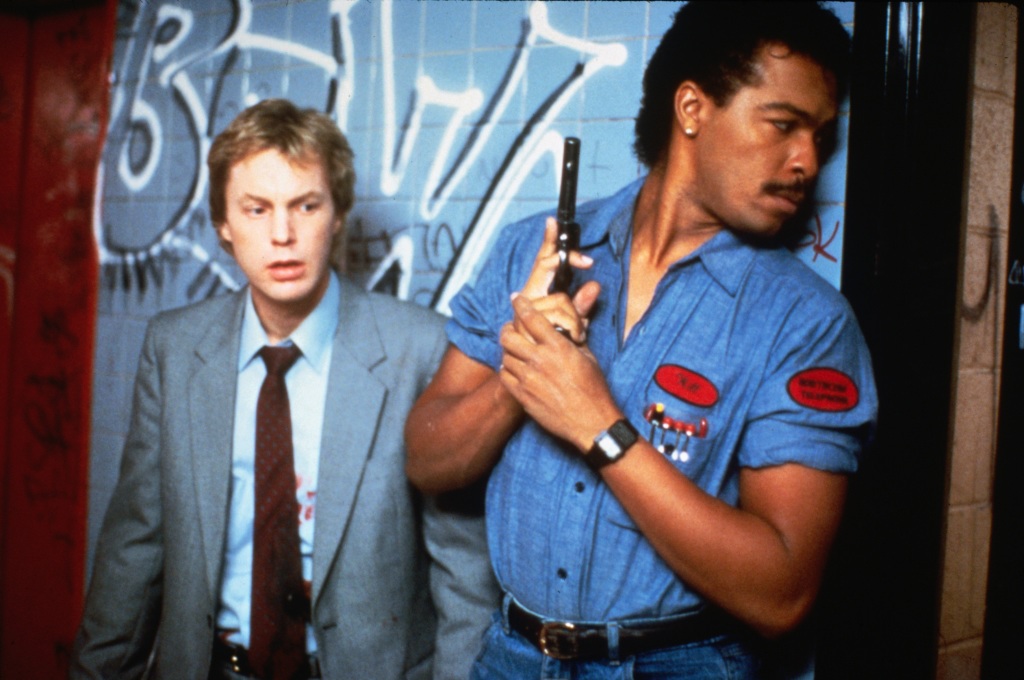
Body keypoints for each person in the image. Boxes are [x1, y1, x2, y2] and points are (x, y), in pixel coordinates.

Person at [404, 2, 878, 677]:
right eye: (783, 125)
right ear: (692, 108)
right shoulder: (532, 250)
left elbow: (782, 593)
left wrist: (598, 424)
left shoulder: (807, 324)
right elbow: (426, 463)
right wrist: (527, 370)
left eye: (820, 137)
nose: (807, 161)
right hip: (512, 656)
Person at [72, 98, 498, 680]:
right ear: (224, 224)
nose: (282, 235)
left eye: (306, 205)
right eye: (256, 209)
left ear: (337, 214)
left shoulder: (420, 350)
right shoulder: (174, 349)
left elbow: (465, 580)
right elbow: (135, 546)